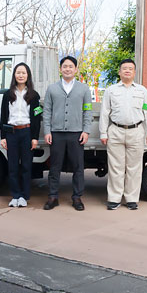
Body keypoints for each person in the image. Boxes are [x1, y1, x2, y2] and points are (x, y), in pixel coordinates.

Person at [99, 59, 147, 210]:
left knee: (134, 168)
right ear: (119, 72)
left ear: (135, 72)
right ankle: (114, 198)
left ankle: (131, 199)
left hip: (136, 132)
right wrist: (103, 132)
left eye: (130, 69)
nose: (127, 71)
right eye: (124, 68)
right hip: (115, 131)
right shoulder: (111, 90)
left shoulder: (142, 91)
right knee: (116, 167)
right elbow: (105, 112)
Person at [42, 56, 92, 211]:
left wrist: (86, 130)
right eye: (65, 66)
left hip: (76, 133)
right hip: (56, 133)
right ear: (60, 69)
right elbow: (47, 111)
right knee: (55, 166)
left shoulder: (84, 89)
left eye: (71, 66)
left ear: (76, 69)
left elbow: (87, 111)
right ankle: (53, 196)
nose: (68, 69)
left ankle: (77, 197)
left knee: (78, 167)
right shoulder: (52, 88)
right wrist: (47, 131)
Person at [0, 63, 42, 207]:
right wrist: (3, 136)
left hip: (27, 132)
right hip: (11, 133)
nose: (21, 75)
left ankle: (24, 196)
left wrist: (34, 137)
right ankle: (15, 195)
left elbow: (37, 118)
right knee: (12, 166)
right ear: (14, 75)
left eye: (23, 73)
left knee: (26, 166)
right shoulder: (8, 94)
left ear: (28, 75)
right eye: (18, 72)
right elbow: (3, 116)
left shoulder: (34, 95)